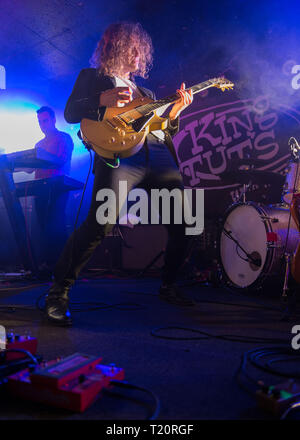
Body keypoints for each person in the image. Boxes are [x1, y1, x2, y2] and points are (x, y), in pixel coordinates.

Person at [45, 22, 194, 326]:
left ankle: (169, 285)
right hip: (120, 158)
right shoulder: (93, 78)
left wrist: (174, 113)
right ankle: (58, 292)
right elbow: (71, 112)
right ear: (120, 48)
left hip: (159, 154)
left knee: (183, 222)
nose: (141, 58)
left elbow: (160, 128)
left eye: (143, 53)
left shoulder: (147, 92)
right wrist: (103, 100)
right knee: (99, 225)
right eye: (136, 51)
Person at [34, 106, 74, 273]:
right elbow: (32, 167)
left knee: (56, 224)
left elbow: (61, 161)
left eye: (44, 121)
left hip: (57, 187)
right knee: (43, 226)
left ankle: (62, 266)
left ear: (53, 120)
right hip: (40, 189)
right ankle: (48, 264)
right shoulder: (39, 144)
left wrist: (42, 158)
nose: (42, 125)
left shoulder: (64, 138)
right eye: (39, 122)